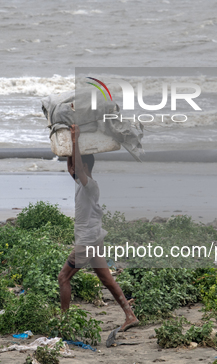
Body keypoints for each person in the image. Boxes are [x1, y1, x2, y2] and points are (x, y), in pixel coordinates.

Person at [57, 124, 139, 332]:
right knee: (107, 279)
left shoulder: (89, 185)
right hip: (95, 237)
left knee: (63, 277)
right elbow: (71, 167)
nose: (73, 170)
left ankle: (64, 322)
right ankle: (130, 315)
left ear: (85, 167)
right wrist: (69, 145)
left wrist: (76, 139)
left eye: (77, 166)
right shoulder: (81, 182)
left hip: (87, 239)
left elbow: (76, 167)